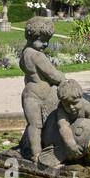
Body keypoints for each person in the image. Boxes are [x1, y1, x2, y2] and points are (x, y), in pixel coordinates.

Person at [18, 16, 66, 161]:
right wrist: (64, 79)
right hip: (42, 94)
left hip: (29, 93)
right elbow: (53, 74)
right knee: (46, 123)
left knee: (34, 125)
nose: (46, 44)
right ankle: (44, 151)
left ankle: (34, 152)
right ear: (31, 36)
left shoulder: (25, 52)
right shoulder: (38, 56)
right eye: (42, 40)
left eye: (47, 40)